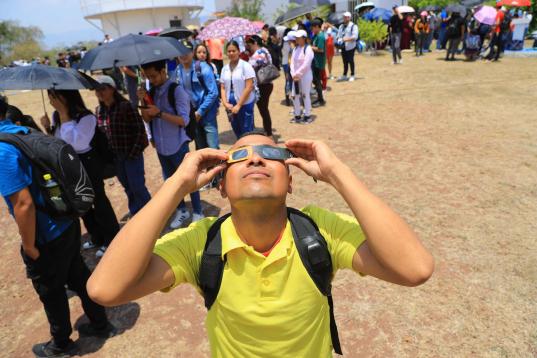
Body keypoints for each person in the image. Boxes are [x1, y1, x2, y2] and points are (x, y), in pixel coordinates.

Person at [86, 131, 434, 357]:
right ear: (220, 186)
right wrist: (176, 185)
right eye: (238, 156)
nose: (254, 159)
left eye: (269, 152)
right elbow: (105, 289)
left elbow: (414, 269)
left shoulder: (318, 232)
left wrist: (337, 173)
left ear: (291, 181)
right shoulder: (202, 243)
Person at [0, 98, 116, 358]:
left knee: (50, 290)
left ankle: (61, 343)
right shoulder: (22, 131)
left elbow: (23, 204)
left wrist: (29, 246)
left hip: (45, 234)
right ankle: (100, 323)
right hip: (66, 219)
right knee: (77, 273)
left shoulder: (2, 150)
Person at [40, 90, 120, 257]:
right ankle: (97, 237)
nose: (52, 102)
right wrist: (49, 127)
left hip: (88, 164)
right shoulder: (57, 116)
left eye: (55, 97)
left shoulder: (86, 117)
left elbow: (77, 144)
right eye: (50, 98)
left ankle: (111, 239)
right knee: (81, 204)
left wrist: (64, 115)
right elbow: (59, 142)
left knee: (98, 201)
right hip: (70, 165)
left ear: (66, 96)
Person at [138, 60, 205, 229]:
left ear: (163, 71)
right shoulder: (151, 92)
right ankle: (181, 209)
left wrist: (159, 113)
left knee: (188, 178)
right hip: (161, 146)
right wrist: (143, 103)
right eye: (148, 77)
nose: (151, 80)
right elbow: (146, 118)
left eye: (153, 76)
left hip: (178, 144)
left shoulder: (177, 91)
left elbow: (184, 120)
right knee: (170, 181)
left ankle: (198, 211)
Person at [93, 75, 151, 216]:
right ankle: (136, 212)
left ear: (112, 89)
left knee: (137, 186)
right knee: (128, 187)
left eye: (103, 89)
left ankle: (151, 213)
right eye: (97, 89)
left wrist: (133, 153)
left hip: (132, 154)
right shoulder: (99, 111)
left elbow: (139, 131)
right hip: (116, 158)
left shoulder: (126, 106)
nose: (99, 92)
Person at [176, 41, 220, 150]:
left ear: (192, 53)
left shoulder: (203, 68)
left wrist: (200, 111)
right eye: (180, 52)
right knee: (201, 148)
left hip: (207, 112)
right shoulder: (178, 70)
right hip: (192, 114)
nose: (184, 55)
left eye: (187, 51)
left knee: (213, 147)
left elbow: (213, 92)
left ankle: (219, 167)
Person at [220, 41, 256, 138]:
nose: (231, 53)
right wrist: (225, 103)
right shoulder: (224, 69)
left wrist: (239, 105)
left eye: (233, 51)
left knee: (247, 133)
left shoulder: (246, 66)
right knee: (237, 131)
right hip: (230, 106)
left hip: (245, 104)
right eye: (229, 51)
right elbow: (222, 87)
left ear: (239, 51)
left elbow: (249, 87)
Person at [246, 35, 275, 137]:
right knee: (263, 109)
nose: (249, 47)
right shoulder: (264, 50)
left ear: (255, 43)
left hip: (263, 85)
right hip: (266, 84)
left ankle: (269, 133)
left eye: (249, 45)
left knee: (263, 109)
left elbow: (250, 66)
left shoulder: (259, 53)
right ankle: (267, 131)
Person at [290, 30, 314, 124]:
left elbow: (306, 64)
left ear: (304, 38)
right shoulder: (295, 49)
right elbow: (292, 62)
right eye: (296, 38)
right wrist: (293, 74)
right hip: (295, 77)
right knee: (294, 95)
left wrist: (298, 74)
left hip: (305, 75)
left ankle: (307, 115)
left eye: (299, 38)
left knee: (305, 95)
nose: (297, 39)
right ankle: (297, 115)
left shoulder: (308, 49)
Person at [336, 12, 359, 82]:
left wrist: (345, 39)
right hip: (343, 46)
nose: (345, 18)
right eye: (344, 17)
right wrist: (338, 39)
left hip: (351, 46)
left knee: (351, 61)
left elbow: (355, 37)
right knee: (344, 61)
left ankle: (352, 75)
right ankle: (345, 75)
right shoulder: (341, 26)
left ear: (349, 18)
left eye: (346, 17)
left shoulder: (354, 26)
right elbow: (338, 35)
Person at [311, 19, 326, 108]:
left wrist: (310, 47)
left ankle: (321, 100)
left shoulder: (320, 36)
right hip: (315, 61)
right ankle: (319, 97)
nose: (312, 29)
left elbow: (321, 49)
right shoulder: (316, 35)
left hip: (318, 62)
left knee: (317, 81)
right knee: (316, 81)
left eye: (313, 28)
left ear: (317, 27)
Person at [281, 29, 294, 106]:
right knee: (289, 81)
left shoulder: (283, 42)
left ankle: (287, 98)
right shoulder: (287, 43)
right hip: (288, 63)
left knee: (287, 81)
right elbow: (291, 52)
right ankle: (290, 98)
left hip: (284, 62)